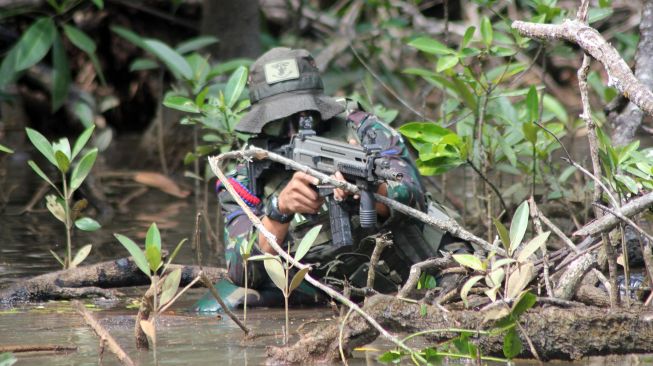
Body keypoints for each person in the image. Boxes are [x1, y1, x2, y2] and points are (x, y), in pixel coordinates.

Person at [194, 47, 463, 311]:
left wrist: (370, 191)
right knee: (221, 306)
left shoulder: (363, 129)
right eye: (279, 119)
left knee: (460, 282)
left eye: (304, 115)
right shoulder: (245, 172)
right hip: (324, 286)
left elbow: (413, 195)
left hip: (410, 269)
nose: (294, 127)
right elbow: (242, 272)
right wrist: (278, 211)